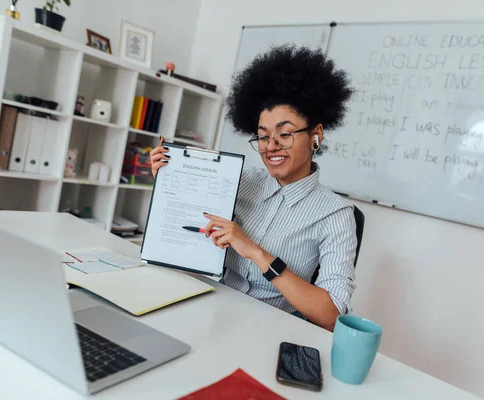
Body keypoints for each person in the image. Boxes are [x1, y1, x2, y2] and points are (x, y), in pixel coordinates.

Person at [150, 45, 356, 331]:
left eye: (285, 134)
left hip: (269, 327)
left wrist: (256, 253)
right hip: (211, 307)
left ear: (316, 135)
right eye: (262, 136)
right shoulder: (240, 179)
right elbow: (187, 225)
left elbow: (332, 315)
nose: (271, 146)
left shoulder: (335, 214)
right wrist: (169, 175)